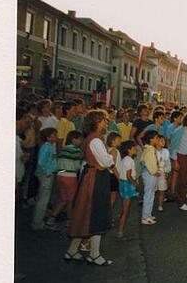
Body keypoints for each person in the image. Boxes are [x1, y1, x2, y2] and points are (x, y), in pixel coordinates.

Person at [66, 110, 116, 265]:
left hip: (92, 177)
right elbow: (107, 162)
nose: (106, 123)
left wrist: (103, 163)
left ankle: (72, 251)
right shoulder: (96, 140)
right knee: (96, 214)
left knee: (85, 214)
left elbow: (102, 163)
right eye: (104, 121)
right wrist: (111, 156)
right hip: (95, 179)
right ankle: (95, 255)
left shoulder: (93, 139)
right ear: (97, 122)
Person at [46, 130, 84, 229]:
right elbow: (77, 165)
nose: (81, 141)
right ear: (74, 139)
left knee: (63, 199)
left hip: (60, 174)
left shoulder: (63, 149)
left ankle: (51, 220)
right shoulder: (75, 150)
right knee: (71, 200)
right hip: (70, 176)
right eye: (79, 139)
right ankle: (70, 221)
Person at [32, 128, 58, 231]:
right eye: (54, 135)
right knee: (43, 199)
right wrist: (47, 172)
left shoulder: (50, 146)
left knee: (43, 197)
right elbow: (41, 162)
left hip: (48, 174)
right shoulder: (46, 147)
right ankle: (37, 223)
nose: (56, 137)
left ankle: (38, 220)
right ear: (48, 137)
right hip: (46, 175)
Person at [116, 140, 139, 239]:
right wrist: (135, 184)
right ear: (129, 149)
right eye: (134, 147)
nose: (136, 149)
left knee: (125, 209)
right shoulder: (129, 160)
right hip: (127, 184)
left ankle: (120, 230)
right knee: (125, 210)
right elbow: (128, 176)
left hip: (123, 183)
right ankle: (120, 232)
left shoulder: (124, 159)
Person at [141, 131, 162, 225]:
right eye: (156, 138)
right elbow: (150, 164)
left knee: (150, 194)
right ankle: (145, 216)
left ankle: (148, 214)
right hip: (150, 174)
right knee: (149, 195)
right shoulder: (150, 150)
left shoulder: (149, 149)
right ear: (151, 139)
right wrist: (155, 172)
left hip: (149, 174)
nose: (158, 139)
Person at [156, 136, 171, 212]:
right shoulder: (153, 151)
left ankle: (160, 205)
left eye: (164, 140)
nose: (163, 142)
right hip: (154, 173)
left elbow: (167, 162)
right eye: (161, 140)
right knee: (154, 189)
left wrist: (167, 171)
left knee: (162, 189)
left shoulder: (166, 151)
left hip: (162, 172)